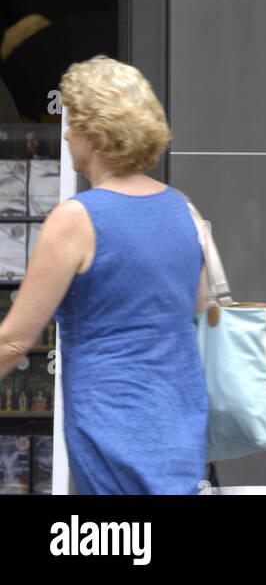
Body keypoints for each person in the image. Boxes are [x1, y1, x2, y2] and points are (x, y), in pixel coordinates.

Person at [0, 55, 210, 494]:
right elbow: (200, 309)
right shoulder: (184, 209)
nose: (68, 131)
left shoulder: (76, 220)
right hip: (180, 429)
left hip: (112, 428)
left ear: (95, 133)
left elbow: (14, 341)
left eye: (72, 120)